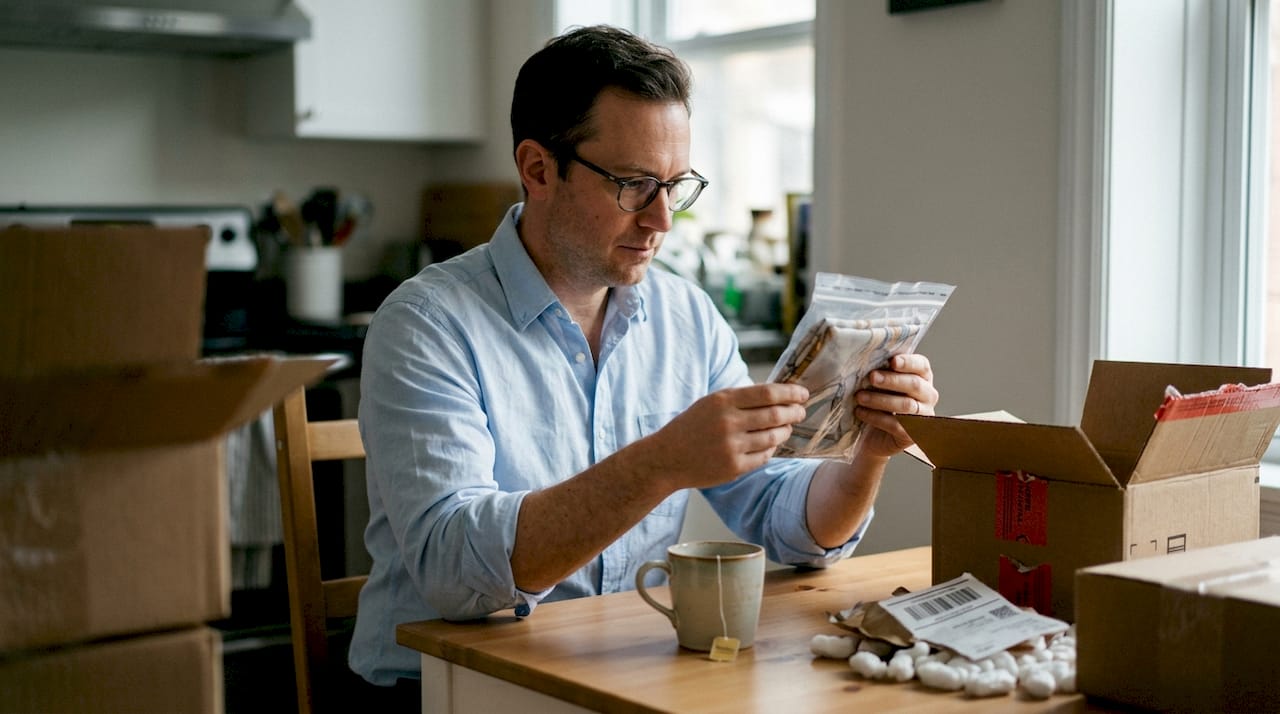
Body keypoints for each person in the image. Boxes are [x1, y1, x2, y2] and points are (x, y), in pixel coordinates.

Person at [349, 24, 938, 696]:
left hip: (615, 675)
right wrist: (661, 463)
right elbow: (457, 574)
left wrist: (868, 456)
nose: (662, 221)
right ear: (539, 169)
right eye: (633, 186)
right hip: (442, 689)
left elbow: (784, 522)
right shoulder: (425, 324)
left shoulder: (685, 316)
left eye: (676, 185)